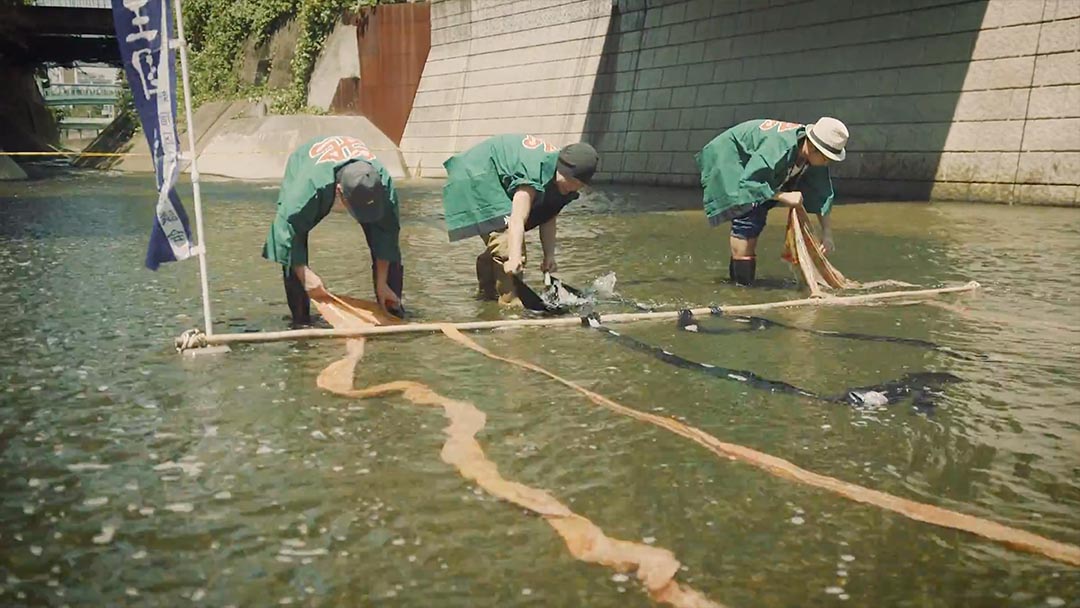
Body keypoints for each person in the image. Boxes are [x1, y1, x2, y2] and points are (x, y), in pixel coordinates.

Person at [262, 135, 403, 327]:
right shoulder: (306, 191)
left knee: (387, 241)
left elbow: (387, 235)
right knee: (295, 244)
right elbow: (284, 233)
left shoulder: (383, 184)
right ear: (339, 192)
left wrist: (382, 282)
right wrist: (305, 276)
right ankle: (301, 320)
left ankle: (390, 308)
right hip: (308, 166)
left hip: (355, 175)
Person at [441, 134, 599, 304]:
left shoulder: (561, 183)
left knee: (505, 247)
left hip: (496, 174)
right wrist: (514, 257)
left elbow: (548, 215)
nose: (574, 188)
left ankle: (487, 295)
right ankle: (511, 309)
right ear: (564, 170)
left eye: (580, 186)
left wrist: (549, 256)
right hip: (478, 173)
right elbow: (516, 219)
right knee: (508, 247)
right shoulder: (533, 174)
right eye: (572, 181)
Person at [695, 117, 849, 286]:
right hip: (730, 157)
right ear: (812, 146)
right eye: (827, 158)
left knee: (760, 209)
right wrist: (783, 196)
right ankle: (742, 286)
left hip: (759, 168)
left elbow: (822, 193)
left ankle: (739, 278)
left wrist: (827, 233)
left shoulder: (812, 153)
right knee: (748, 212)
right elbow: (751, 184)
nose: (828, 162)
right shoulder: (778, 148)